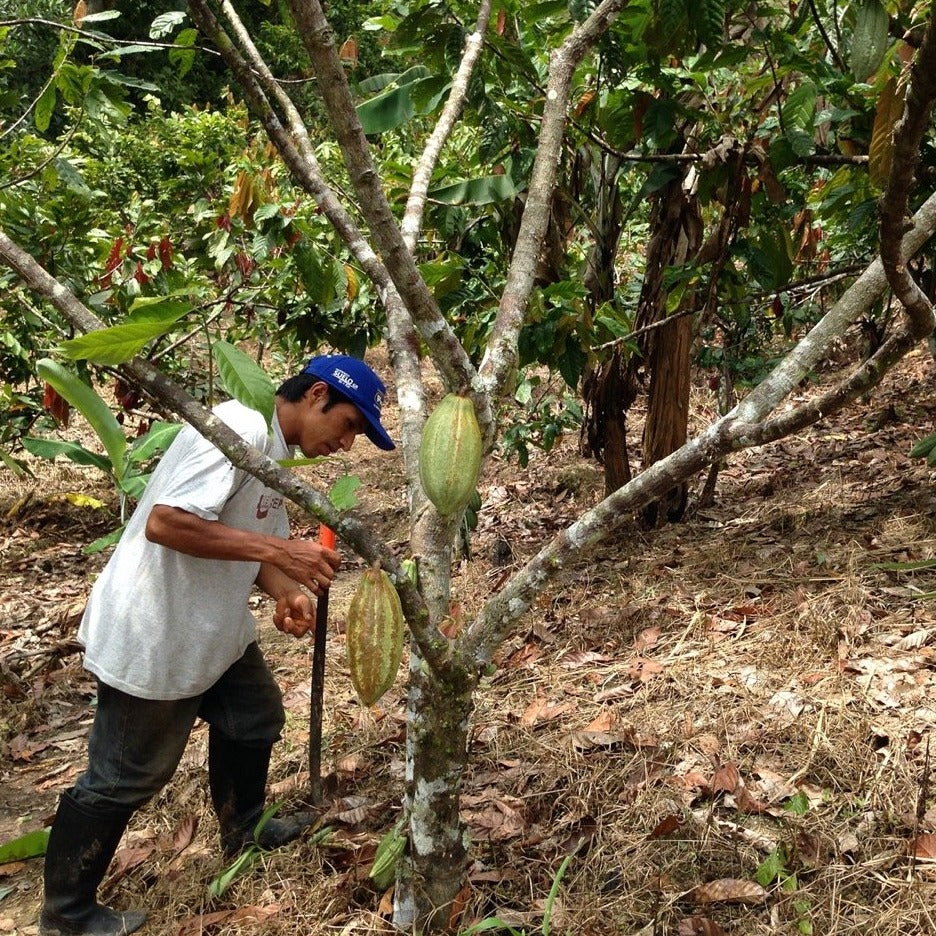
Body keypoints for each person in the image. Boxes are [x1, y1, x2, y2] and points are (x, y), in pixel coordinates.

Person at [39, 354, 395, 936]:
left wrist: (284, 590)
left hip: (211, 628)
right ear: (317, 396)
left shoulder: (271, 456)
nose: (348, 445)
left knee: (254, 715)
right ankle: (66, 911)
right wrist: (282, 555)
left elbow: (251, 545)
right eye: (351, 424)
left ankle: (244, 826)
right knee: (123, 775)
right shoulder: (241, 426)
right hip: (156, 629)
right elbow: (166, 522)